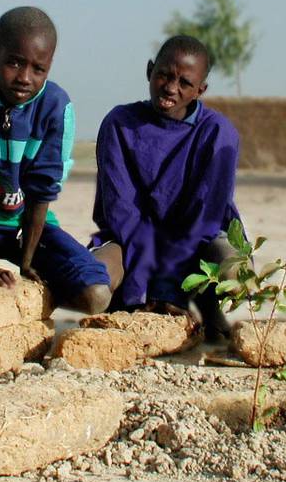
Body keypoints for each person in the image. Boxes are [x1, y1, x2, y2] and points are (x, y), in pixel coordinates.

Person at [0, 6, 112, 313]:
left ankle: (34, 305)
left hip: (25, 226)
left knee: (96, 293)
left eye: (38, 69)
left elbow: (42, 190)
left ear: (49, 67)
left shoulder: (56, 106)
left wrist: (28, 261)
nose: (24, 78)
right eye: (14, 63)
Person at [89, 35, 242, 340]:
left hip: (197, 242)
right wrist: (145, 288)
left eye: (185, 82)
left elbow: (205, 220)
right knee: (93, 283)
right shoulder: (120, 124)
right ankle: (130, 304)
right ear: (149, 70)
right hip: (129, 240)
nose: (171, 88)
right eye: (164, 75)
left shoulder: (217, 133)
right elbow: (122, 212)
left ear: (201, 90)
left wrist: (169, 289)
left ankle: (206, 306)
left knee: (231, 268)